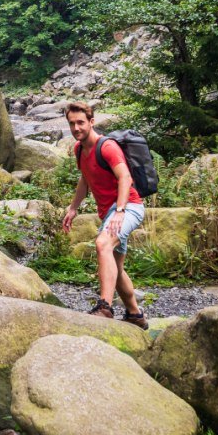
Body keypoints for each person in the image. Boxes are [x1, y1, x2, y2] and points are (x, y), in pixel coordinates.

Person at [59, 101, 149, 328]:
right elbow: (85, 179)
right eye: (72, 123)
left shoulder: (106, 147)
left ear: (91, 122)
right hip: (110, 212)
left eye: (81, 122)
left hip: (129, 207)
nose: (76, 128)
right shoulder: (79, 149)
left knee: (102, 243)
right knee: (116, 269)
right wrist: (73, 208)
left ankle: (105, 307)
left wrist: (119, 211)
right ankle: (135, 315)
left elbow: (125, 178)